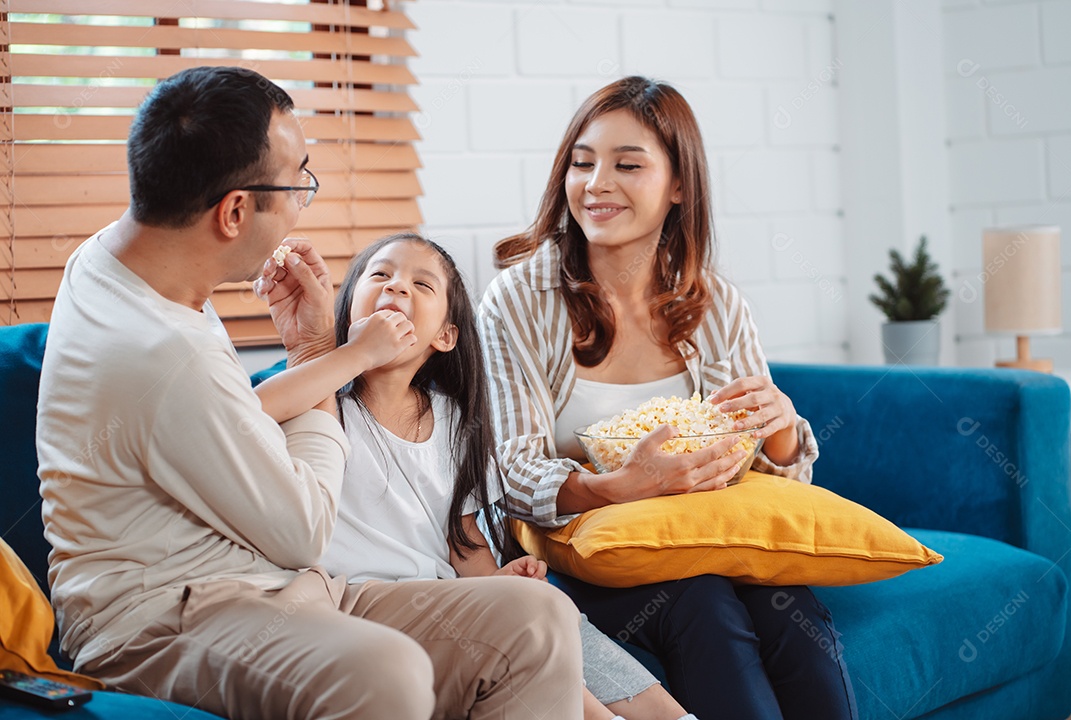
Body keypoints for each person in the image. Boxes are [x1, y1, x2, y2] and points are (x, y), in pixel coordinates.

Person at [35, 66, 585, 720]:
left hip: (277, 588)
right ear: (234, 212)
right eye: (298, 183)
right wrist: (322, 351)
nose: (303, 201)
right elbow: (303, 530)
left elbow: (228, 423)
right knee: (386, 672)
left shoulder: (116, 260)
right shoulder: (165, 355)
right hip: (165, 616)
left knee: (538, 617)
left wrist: (321, 352)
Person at [477, 76, 859, 720]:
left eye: (627, 165)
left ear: (679, 185)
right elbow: (508, 469)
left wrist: (780, 432)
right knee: (703, 606)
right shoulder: (518, 301)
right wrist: (616, 487)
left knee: (791, 611)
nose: (596, 184)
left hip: (702, 534)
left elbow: (769, 479)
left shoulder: (715, 303)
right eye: (582, 163)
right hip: (585, 552)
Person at [254, 232, 698, 720]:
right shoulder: (322, 401)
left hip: (447, 600)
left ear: (445, 336)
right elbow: (249, 414)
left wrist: (498, 581)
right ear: (348, 310)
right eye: (380, 275)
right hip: (360, 606)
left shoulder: (454, 422)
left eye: (422, 285)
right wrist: (353, 354)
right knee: (532, 627)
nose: (397, 287)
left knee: (555, 612)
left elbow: (463, 543)